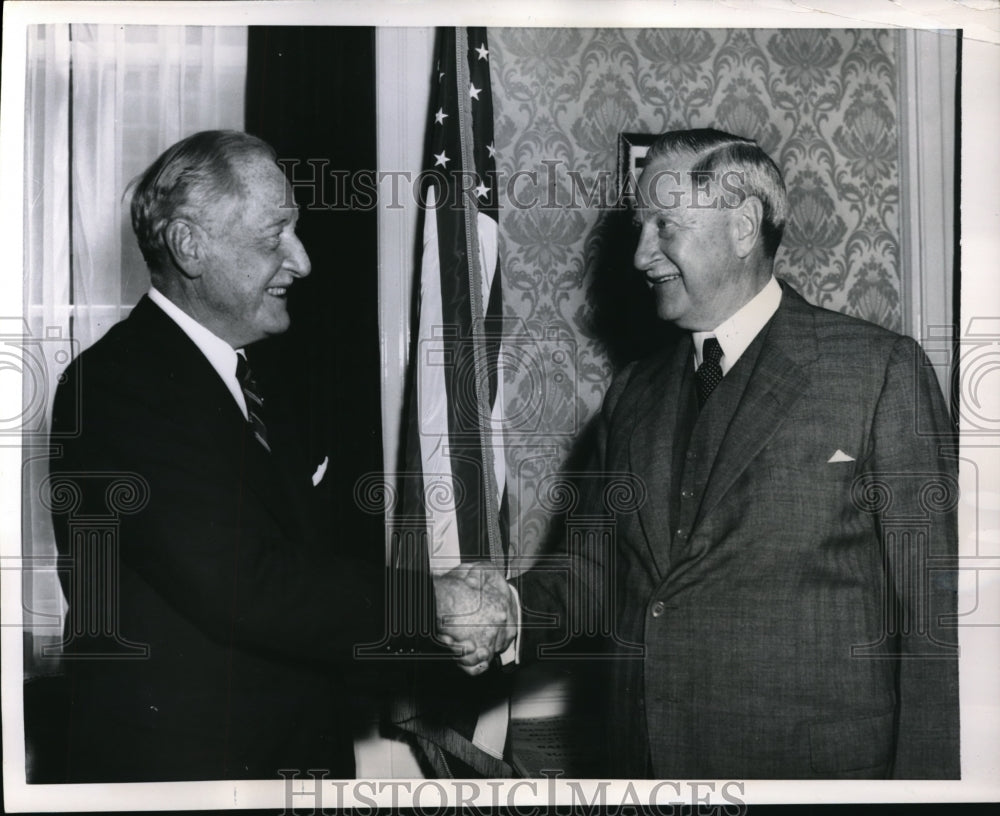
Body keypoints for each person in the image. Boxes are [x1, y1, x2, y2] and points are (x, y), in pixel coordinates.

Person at [452, 128, 960, 779]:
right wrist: (511, 610)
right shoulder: (634, 393)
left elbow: (936, 615)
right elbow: (597, 570)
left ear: (743, 225)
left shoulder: (878, 371)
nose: (640, 256)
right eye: (640, 227)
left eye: (664, 225)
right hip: (651, 767)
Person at [46, 130, 496, 782]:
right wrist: (435, 605)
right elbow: (244, 583)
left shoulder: (262, 383)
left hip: (290, 759)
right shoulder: (116, 387)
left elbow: (311, 568)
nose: (302, 261)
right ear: (189, 246)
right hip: (184, 776)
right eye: (272, 236)